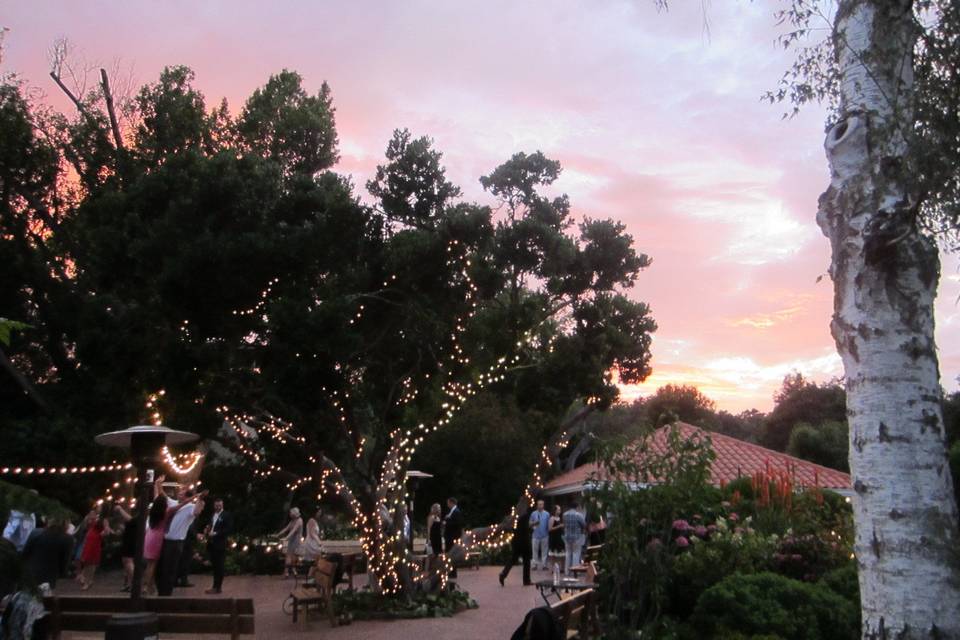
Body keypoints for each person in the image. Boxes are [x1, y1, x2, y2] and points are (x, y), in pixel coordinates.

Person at [157, 480, 206, 596]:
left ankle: (166, 592)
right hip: (165, 540)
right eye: (179, 492)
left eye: (182, 493)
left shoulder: (190, 507)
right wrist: (158, 485)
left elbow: (197, 511)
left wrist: (200, 499)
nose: (179, 494)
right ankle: (162, 590)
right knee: (162, 567)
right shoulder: (173, 503)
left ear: (186, 496)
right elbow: (163, 496)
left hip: (176, 542)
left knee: (170, 568)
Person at [21, 518, 73, 593]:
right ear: (66, 523)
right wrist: (62, 575)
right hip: (49, 578)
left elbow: (25, 553)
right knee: (42, 601)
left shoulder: (36, 532)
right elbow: (64, 563)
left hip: (30, 573)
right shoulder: (68, 539)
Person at [76, 505, 114, 590]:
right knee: (86, 561)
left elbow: (107, 530)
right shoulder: (95, 517)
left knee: (92, 562)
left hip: (95, 541)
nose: (98, 508)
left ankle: (88, 581)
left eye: (100, 507)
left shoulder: (104, 519)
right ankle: (84, 578)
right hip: (89, 540)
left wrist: (101, 534)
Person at [499, 503, 533, 587]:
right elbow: (526, 528)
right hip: (524, 540)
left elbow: (510, 528)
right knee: (526, 560)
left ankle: (503, 574)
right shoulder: (524, 515)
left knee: (513, 559)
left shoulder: (514, 517)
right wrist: (532, 525)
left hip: (516, 540)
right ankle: (526, 580)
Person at [204, 498, 233, 594]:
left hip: (220, 543)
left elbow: (228, 529)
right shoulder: (212, 515)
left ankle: (217, 587)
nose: (218, 507)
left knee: (219, 566)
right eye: (216, 506)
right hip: (212, 543)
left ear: (222, 505)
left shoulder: (226, 515)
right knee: (215, 566)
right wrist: (207, 530)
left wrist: (216, 533)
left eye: (220, 505)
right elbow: (210, 525)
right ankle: (214, 586)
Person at [275, 507, 303, 578]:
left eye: (291, 513)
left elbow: (294, 530)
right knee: (289, 555)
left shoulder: (299, 521)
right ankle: (287, 572)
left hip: (296, 540)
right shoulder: (292, 521)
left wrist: (286, 538)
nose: (290, 514)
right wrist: (278, 534)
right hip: (292, 540)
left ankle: (293, 571)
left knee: (293, 556)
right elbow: (286, 528)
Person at [115, 505, 136, 592]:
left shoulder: (134, 518)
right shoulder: (128, 521)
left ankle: (133, 583)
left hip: (131, 541)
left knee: (128, 561)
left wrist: (120, 509)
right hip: (127, 540)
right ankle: (128, 583)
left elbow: (131, 520)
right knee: (125, 562)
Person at [562, 501, 587, 575]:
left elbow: (564, 524)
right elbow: (584, 524)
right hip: (576, 537)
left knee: (568, 554)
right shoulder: (578, 515)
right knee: (576, 554)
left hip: (567, 537)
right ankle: (575, 572)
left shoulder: (565, 514)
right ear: (576, 507)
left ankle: (567, 571)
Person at [443, 497, 464, 578]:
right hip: (450, 537)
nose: (447, 505)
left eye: (448, 503)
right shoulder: (452, 511)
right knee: (450, 555)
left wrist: (446, 522)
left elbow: (457, 524)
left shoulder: (456, 512)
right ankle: (450, 572)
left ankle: (452, 573)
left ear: (452, 503)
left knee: (452, 554)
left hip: (452, 537)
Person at [529, 499, 550, 571]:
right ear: (537, 505)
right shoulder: (533, 513)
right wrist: (534, 523)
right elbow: (529, 524)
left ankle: (544, 565)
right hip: (535, 535)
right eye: (539, 504)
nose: (540, 506)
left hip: (545, 535)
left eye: (542, 504)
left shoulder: (547, 514)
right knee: (535, 551)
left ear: (543, 505)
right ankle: (534, 565)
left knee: (545, 551)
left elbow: (549, 525)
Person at [548, 505, 564, 569]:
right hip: (554, 537)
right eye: (558, 510)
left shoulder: (560, 518)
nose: (559, 511)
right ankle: (552, 567)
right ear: (555, 511)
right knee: (553, 554)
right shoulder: (552, 518)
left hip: (560, 537)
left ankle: (562, 567)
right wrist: (559, 526)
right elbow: (550, 529)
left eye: (560, 510)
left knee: (562, 554)